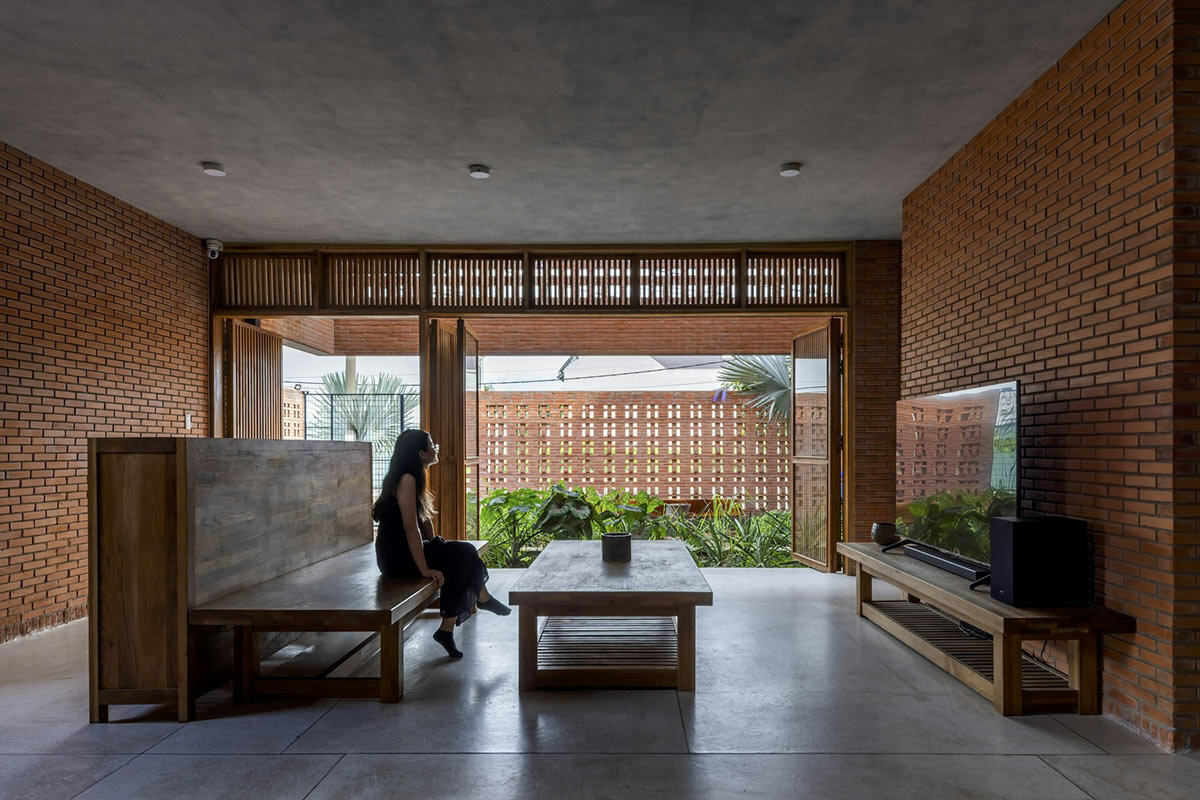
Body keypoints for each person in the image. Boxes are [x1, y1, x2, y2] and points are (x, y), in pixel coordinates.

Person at [372, 429, 510, 658]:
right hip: (396, 556)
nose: (436, 447)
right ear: (421, 453)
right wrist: (425, 568)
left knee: (461, 554)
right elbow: (409, 527)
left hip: (405, 550)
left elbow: (423, 520)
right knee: (464, 553)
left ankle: (449, 627)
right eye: (431, 444)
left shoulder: (414, 476)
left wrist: (435, 544)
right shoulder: (406, 479)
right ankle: (481, 599)